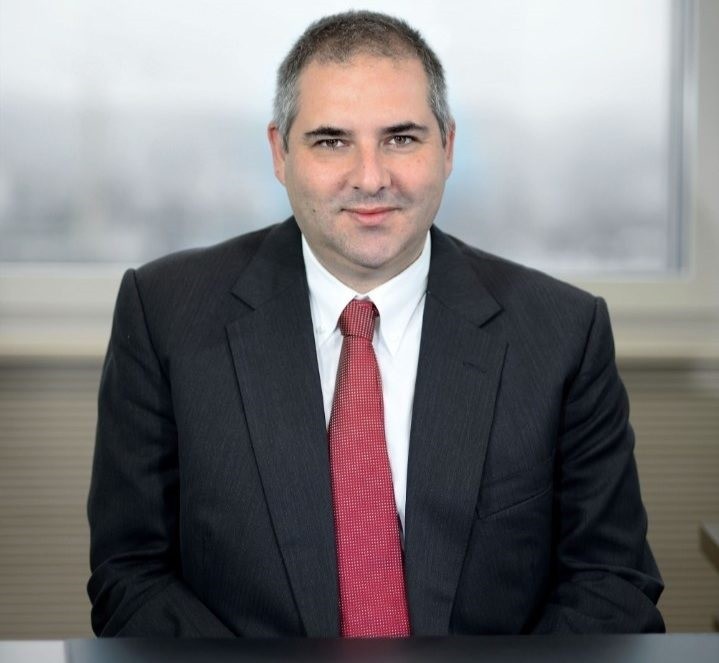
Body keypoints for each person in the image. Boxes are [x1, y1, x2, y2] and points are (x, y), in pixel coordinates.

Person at [87, 10, 664, 637]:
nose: (370, 178)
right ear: (280, 153)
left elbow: (611, 583)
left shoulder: (563, 335)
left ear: (447, 147)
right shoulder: (165, 315)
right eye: (331, 141)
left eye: (401, 139)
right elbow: (131, 575)